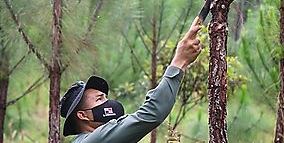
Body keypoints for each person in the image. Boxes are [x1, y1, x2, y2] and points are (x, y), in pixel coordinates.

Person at [60, 17, 203, 143]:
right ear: (82, 115)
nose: (107, 103)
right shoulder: (95, 140)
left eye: (105, 97)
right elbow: (151, 114)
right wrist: (179, 62)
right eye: (99, 99)